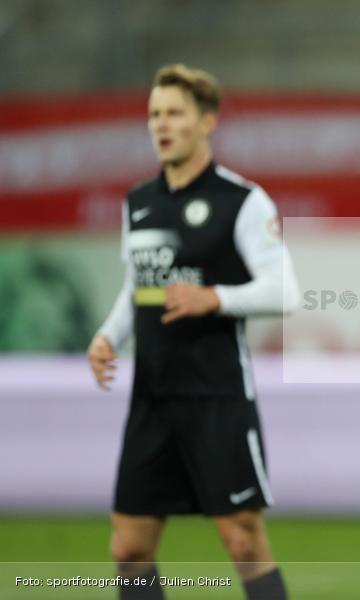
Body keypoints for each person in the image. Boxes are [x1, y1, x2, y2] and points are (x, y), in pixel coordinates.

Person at [86, 63, 299, 600]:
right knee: (129, 548)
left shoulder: (243, 201)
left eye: (174, 113)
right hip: (152, 397)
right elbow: (137, 284)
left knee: (244, 542)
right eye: (154, 113)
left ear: (206, 122)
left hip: (217, 395)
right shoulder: (138, 203)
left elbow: (285, 292)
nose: (161, 124)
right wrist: (109, 336)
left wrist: (215, 297)